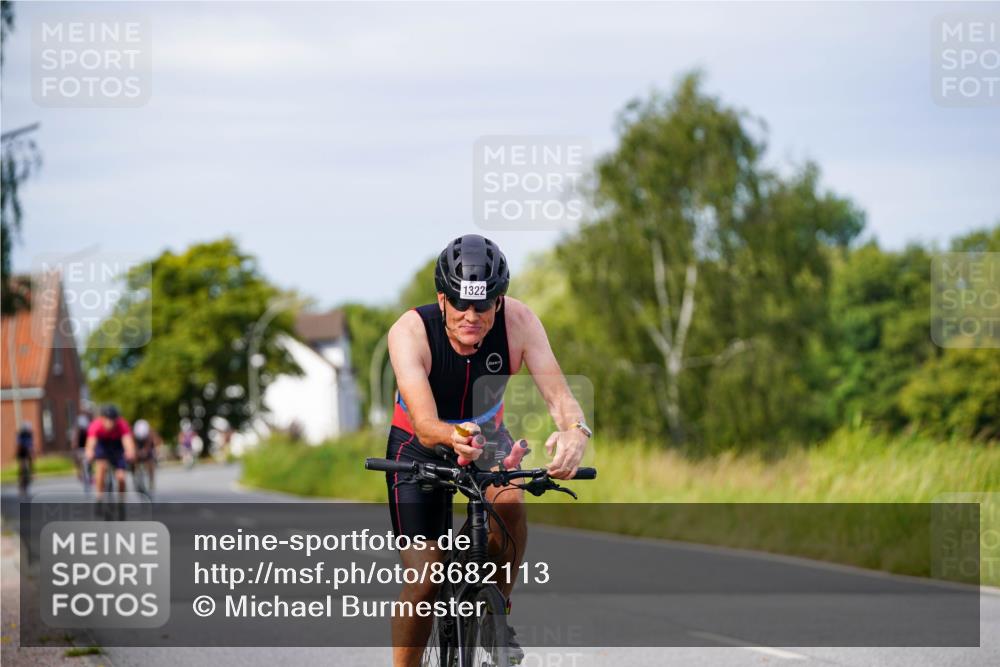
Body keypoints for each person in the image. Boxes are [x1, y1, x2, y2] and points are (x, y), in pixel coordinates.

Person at [385, 234, 591, 666]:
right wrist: (453, 438)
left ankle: (495, 609)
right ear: (442, 298)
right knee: (424, 578)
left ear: (500, 301)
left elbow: (560, 398)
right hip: (418, 445)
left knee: (510, 499)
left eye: (484, 305)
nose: (471, 316)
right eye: (460, 303)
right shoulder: (409, 332)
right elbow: (425, 425)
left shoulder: (519, 323)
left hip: (485, 435)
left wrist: (575, 430)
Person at [84, 405, 136, 502]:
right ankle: (99, 496)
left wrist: (130, 452)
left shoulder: (122, 425)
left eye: (112, 420)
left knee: (121, 477)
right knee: (101, 467)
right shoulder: (96, 425)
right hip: (102, 445)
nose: (110, 422)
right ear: (102, 418)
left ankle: (121, 501)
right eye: (107, 419)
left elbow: (128, 442)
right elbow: (90, 443)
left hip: (117, 447)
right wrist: (89, 452)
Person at [131, 419, 158, 496]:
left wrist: (145, 451)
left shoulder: (150, 434)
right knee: (133, 459)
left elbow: (150, 445)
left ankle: (151, 482)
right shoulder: (133, 434)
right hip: (137, 446)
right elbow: (132, 445)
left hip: (148, 447)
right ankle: (134, 474)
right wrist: (136, 452)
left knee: (150, 462)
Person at [75, 411, 92, 493]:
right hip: (81, 449)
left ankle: (90, 473)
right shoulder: (78, 432)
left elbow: (92, 441)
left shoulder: (89, 431)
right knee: (80, 461)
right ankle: (80, 472)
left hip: (87, 447)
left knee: (89, 461)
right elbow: (75, 443)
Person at [15, 421, 34, 497]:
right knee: (22, 467)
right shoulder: (20, 434)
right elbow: (18, 445)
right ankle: (21, 482)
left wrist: (32, 451)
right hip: (21, 453)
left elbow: (31, 444)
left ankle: (31, 474)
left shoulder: (30, 435)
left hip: (28, 451)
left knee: (31, 462)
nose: (28, 431)